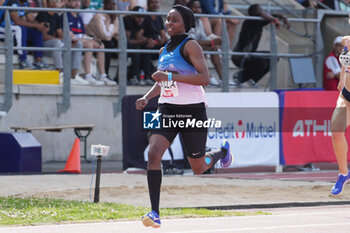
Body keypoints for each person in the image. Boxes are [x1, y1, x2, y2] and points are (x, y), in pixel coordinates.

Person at [135, 5, 232, 228]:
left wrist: (170, 75)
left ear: (186, 24)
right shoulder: (163, 51)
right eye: (168, 20)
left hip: (192, 110)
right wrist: (147, 97)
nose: (169, 23)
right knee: (153, 153)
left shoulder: (191, 46)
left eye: (175, 20)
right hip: (166, 108)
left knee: (198, 168)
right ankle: (154, 212)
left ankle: (222, 152)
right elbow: (163, 82)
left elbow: (204, 78)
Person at [231, 4, 290, 87]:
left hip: (251, 55)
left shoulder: (259, 23)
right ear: (256, 13)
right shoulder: (249, 22)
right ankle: (240, 76)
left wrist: (283, 17)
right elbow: (267, 16)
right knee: (262, 62)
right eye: (261, 10)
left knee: (274, 57)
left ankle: (252, 80)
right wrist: (273, 19)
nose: (264, 12)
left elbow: (270, 16)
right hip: (240, 56)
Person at [35, 0, 86, 84]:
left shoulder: (56, 16)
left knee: (78, 44)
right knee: (57, 43)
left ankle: (73, 75)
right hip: (44, 46)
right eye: (54, 1)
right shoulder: (42, 14)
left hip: (55, 45)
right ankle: (60, 72)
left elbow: (60, 34)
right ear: (48, 3)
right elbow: (43, 36)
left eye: (57, 1)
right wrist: (59, 40)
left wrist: (69, 41)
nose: (56, 3)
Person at [58, 0, 106, 85]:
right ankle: (88, 75)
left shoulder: (79, 17)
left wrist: (90, 39)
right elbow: (69, 35)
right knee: (89, 44)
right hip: (69, 42)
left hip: (79, 40)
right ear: (68, 3)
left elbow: (82, 34)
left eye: (79, 1)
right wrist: (87, 40)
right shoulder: (65, 16)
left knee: (101, 45)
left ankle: (103, 75)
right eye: (74, 1)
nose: (77, 3)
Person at [0, 0, 50, 69]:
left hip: (13, 28)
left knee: (36, 30)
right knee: (20, 28)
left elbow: (32, 20)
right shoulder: (12, 2)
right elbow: (16, 21)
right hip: (2, 28)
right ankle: (23, 59)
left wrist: (41, 26)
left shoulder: (25, 3)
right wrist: (36, 25)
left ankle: (38, 60)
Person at [188, 0, 224, 86]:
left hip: (196, 46)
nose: (197, 10)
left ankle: (223, 78)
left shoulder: (199, 21)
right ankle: (208, 77)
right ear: (189, 9)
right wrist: (211, 42)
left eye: (199, 7)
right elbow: (190, 41)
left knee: (214, 48)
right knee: (199, 49)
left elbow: (203, 39)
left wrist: (212, 43)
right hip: (186, 49)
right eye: (194, 7)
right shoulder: (186, 22)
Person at [86, 0, 118, 85]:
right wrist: (110, 24)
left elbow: (117, 34)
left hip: (101, 40)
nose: (112, 7)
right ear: (105, 5)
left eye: (113, 5)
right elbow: (105, 36)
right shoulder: (99, 16)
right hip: (92, 39)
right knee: (108, 44)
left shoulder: (113, 16)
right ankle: (103, 74)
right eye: (110, 4)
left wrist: (111, 25)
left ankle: (114, 76)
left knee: (121, 45)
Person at [123, 6, 154, 85]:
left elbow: (146, 37)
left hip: (137, 45)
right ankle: (134, 76)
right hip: (124, 46)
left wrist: (149, 41)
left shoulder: (144, 21)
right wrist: (140, 41)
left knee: (146, 48)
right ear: (133, 15)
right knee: (136, 48)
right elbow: (126, 40)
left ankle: (147, 76)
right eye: (138, 17)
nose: (141, 19)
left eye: (142, 17)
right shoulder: (127, 20)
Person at [141, 0, 168, 85]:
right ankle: (147, 76)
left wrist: (163, 39)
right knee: (147, 49)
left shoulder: (158, 18)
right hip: (146, 43)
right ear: (148, 4)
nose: (154, 5)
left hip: (156, 43)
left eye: (156, 2)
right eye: (152, 2)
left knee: (169, 47)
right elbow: (139, 35)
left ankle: (166, 74)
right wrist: (147, 40)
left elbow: (163, 35)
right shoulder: (145, 17)